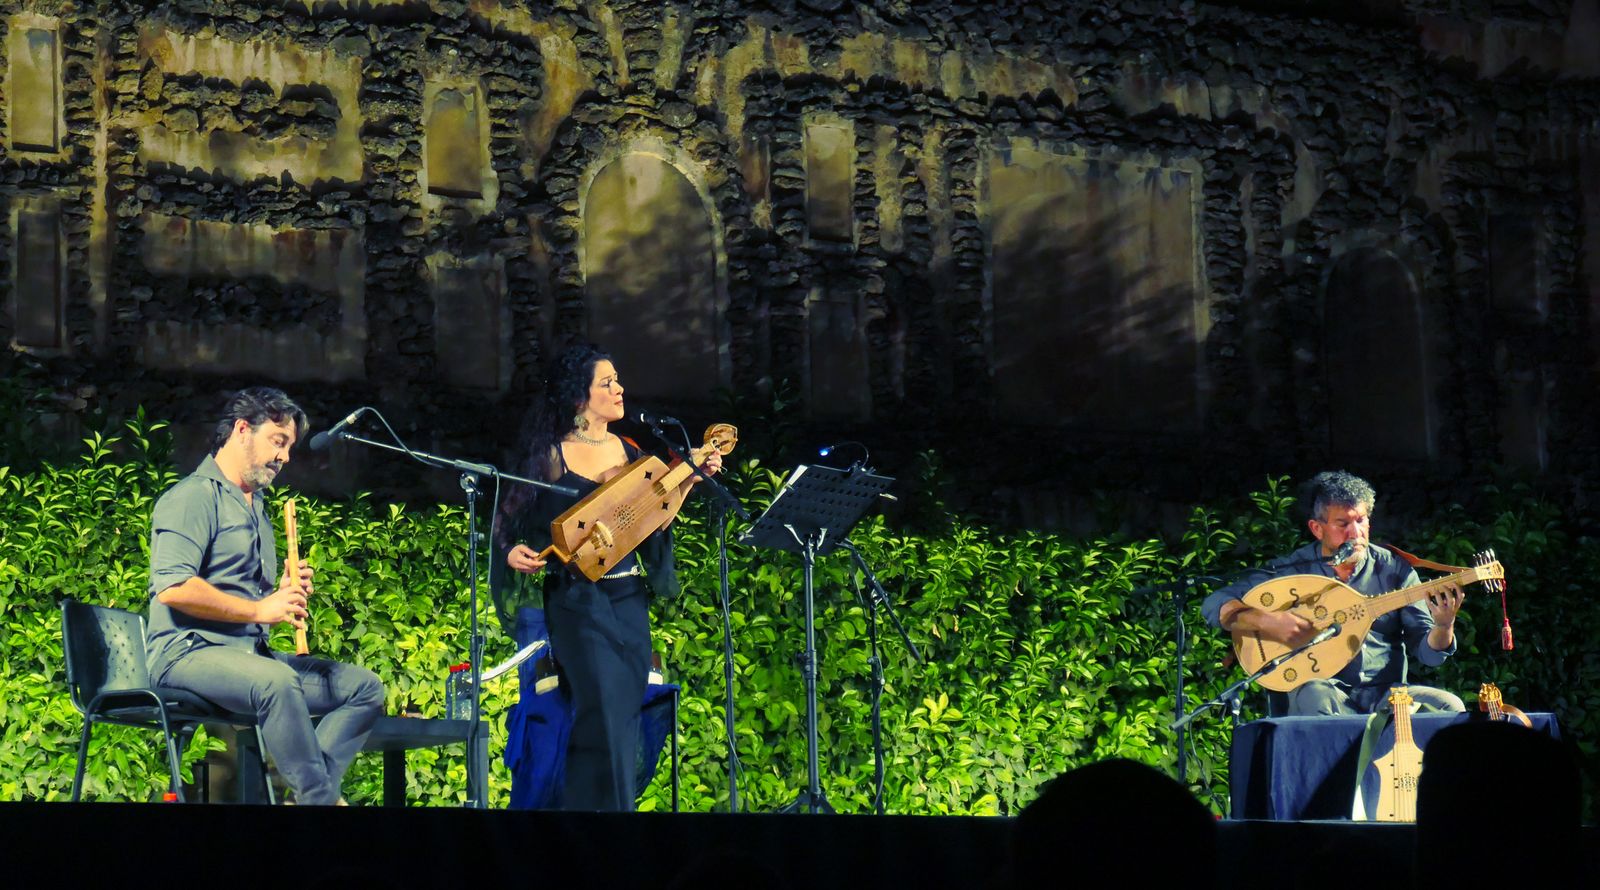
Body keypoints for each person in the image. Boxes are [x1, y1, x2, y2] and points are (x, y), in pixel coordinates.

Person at [494, 343, 721, 811]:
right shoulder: (551, 453)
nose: (619, 389)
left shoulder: (633, 450)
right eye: (607, 383)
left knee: (624, 713)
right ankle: (598, 819)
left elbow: (649, 520)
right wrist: (511, 550)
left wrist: (688, 480)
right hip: (578, 602)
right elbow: (507, 520)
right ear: (580, 396)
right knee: (600, 708)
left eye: (618, 380)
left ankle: (603, 815)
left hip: (629, 599)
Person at [146, 387, 385, 805]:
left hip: (246, 654)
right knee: (276, 682)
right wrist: (261, 608)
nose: (285, 457)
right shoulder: (193, 497)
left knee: (363, 688)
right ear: (241, 430)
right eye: (278, 441)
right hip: (185, 653)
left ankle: (313, 795)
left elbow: (237, 594)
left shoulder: (255, 507)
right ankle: (320, 802)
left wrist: (284, 593)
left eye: (289, 446)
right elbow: (173, 586)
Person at [1200, 470, 1465, 715]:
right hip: (1324, 690)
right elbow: (1215, 604)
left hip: (1386, 695)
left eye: (1361, 521)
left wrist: (1444, 626)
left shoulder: (1396, 570)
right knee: (1317, 694)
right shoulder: (1293, 570)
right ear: (1317, 528)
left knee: (1449, 706)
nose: (1355, 533)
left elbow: (1428, 655)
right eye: (1342, 524)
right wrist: (1267, 621)